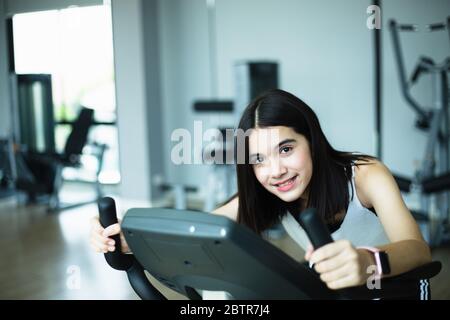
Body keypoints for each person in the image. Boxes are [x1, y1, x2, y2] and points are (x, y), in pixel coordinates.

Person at [90, 89, 431, 295]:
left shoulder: (365, 174)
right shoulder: (269, 191)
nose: (275, 171)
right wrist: (127, 234)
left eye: (285, 149)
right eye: (258, 159)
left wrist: (365, 262)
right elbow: (197, 227)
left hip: (396, 291)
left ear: (311, 140)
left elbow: (418, 251)